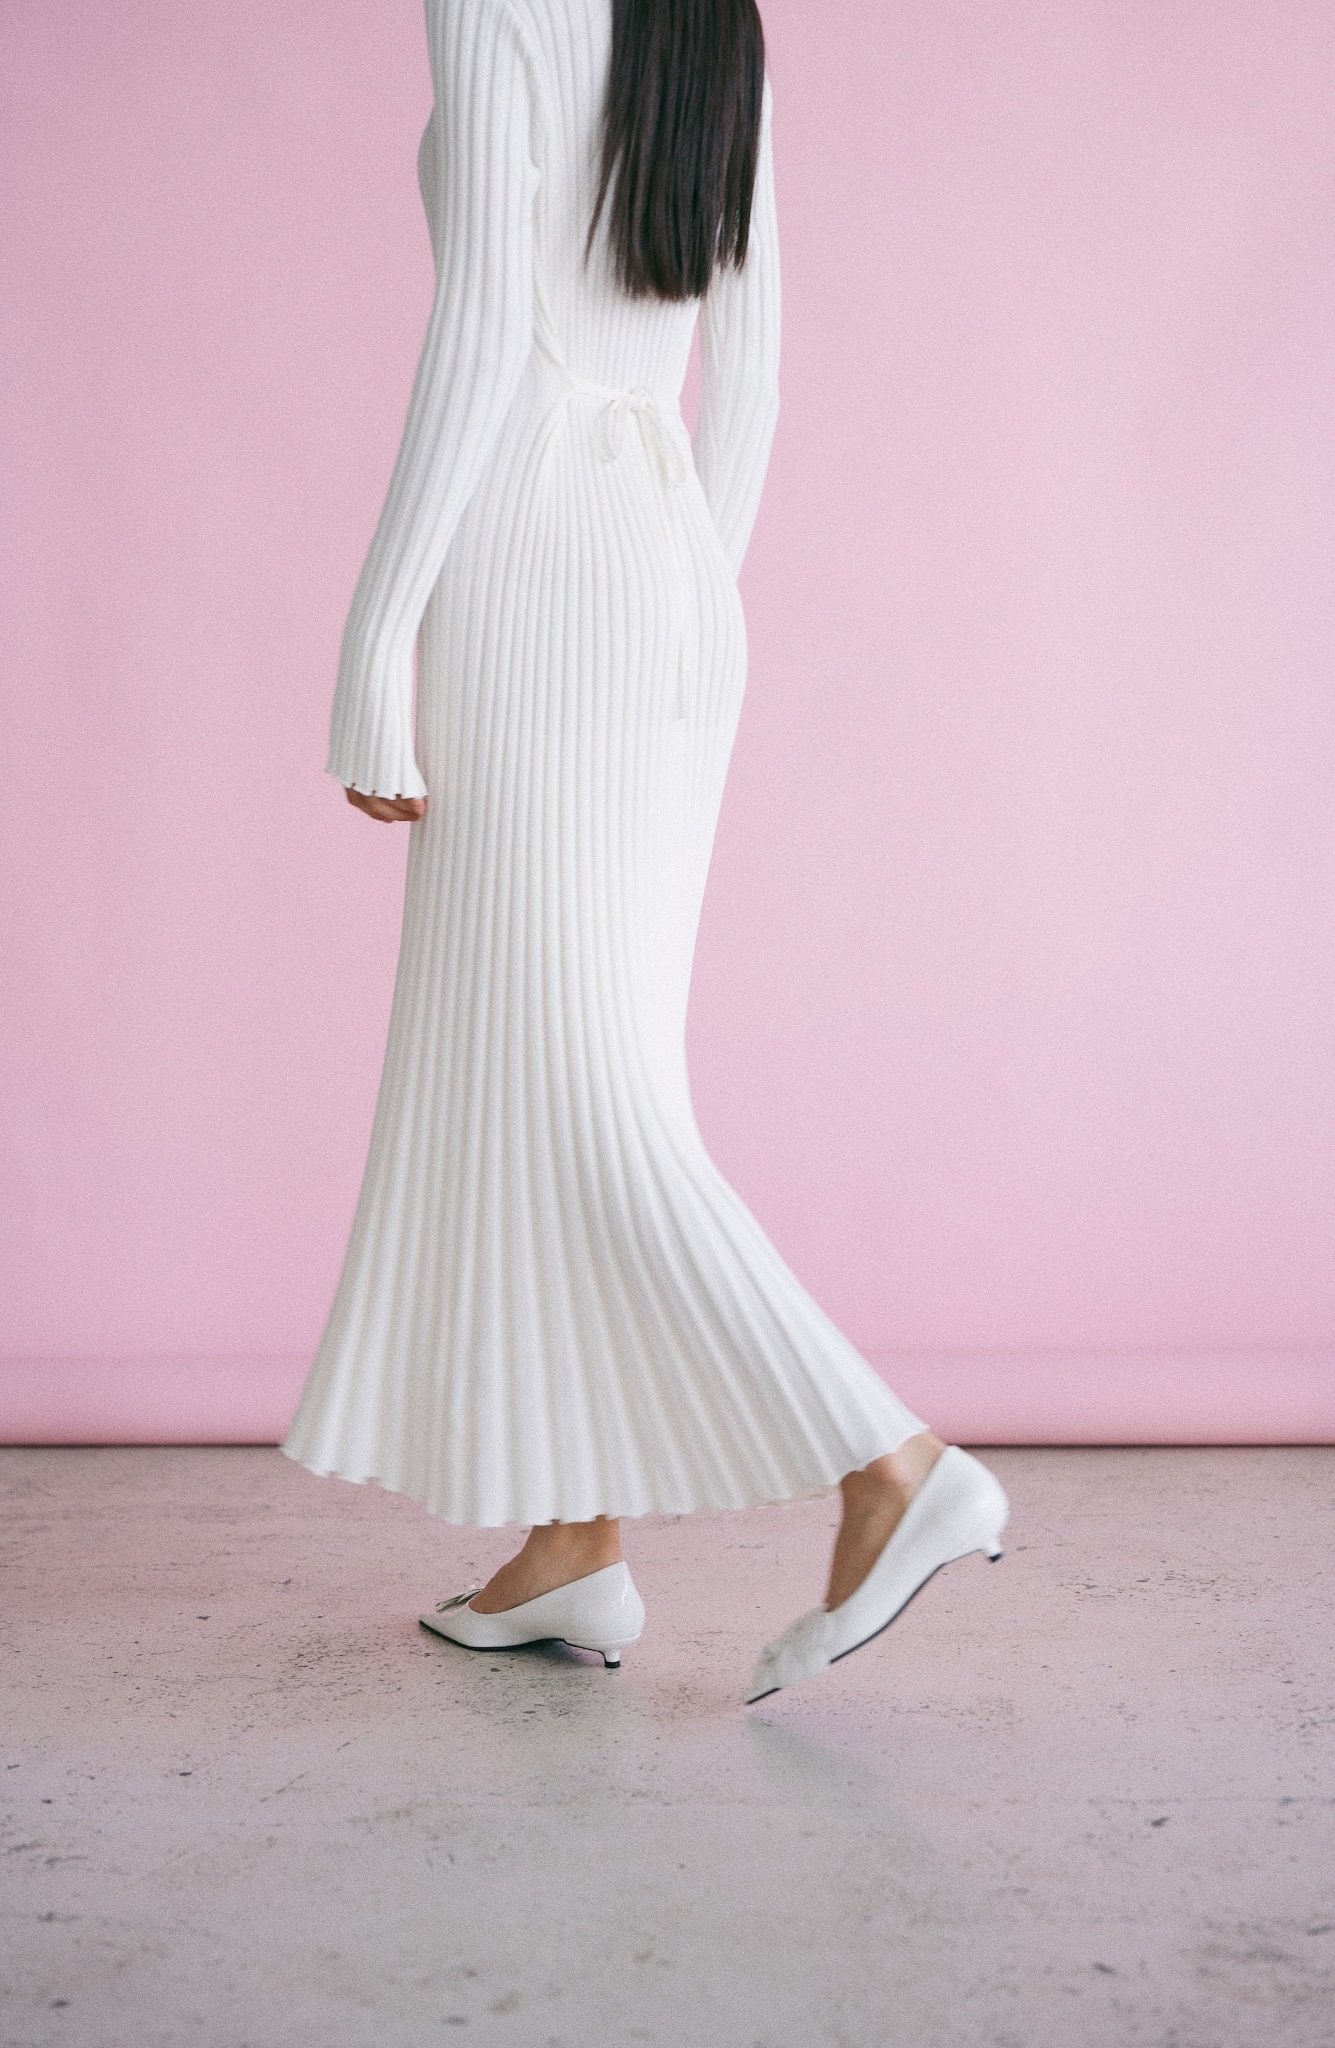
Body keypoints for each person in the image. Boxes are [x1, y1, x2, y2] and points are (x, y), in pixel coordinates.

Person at [280, 0, 1009, 1704]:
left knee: (572, 1084)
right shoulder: (708, 19)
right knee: (552, 1069)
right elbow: (744, 373)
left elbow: (474, 332)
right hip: (661, 559)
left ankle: (889, 1461)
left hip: (528, 547)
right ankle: (569, 1543)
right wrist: (685, 595)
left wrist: (370, 640)